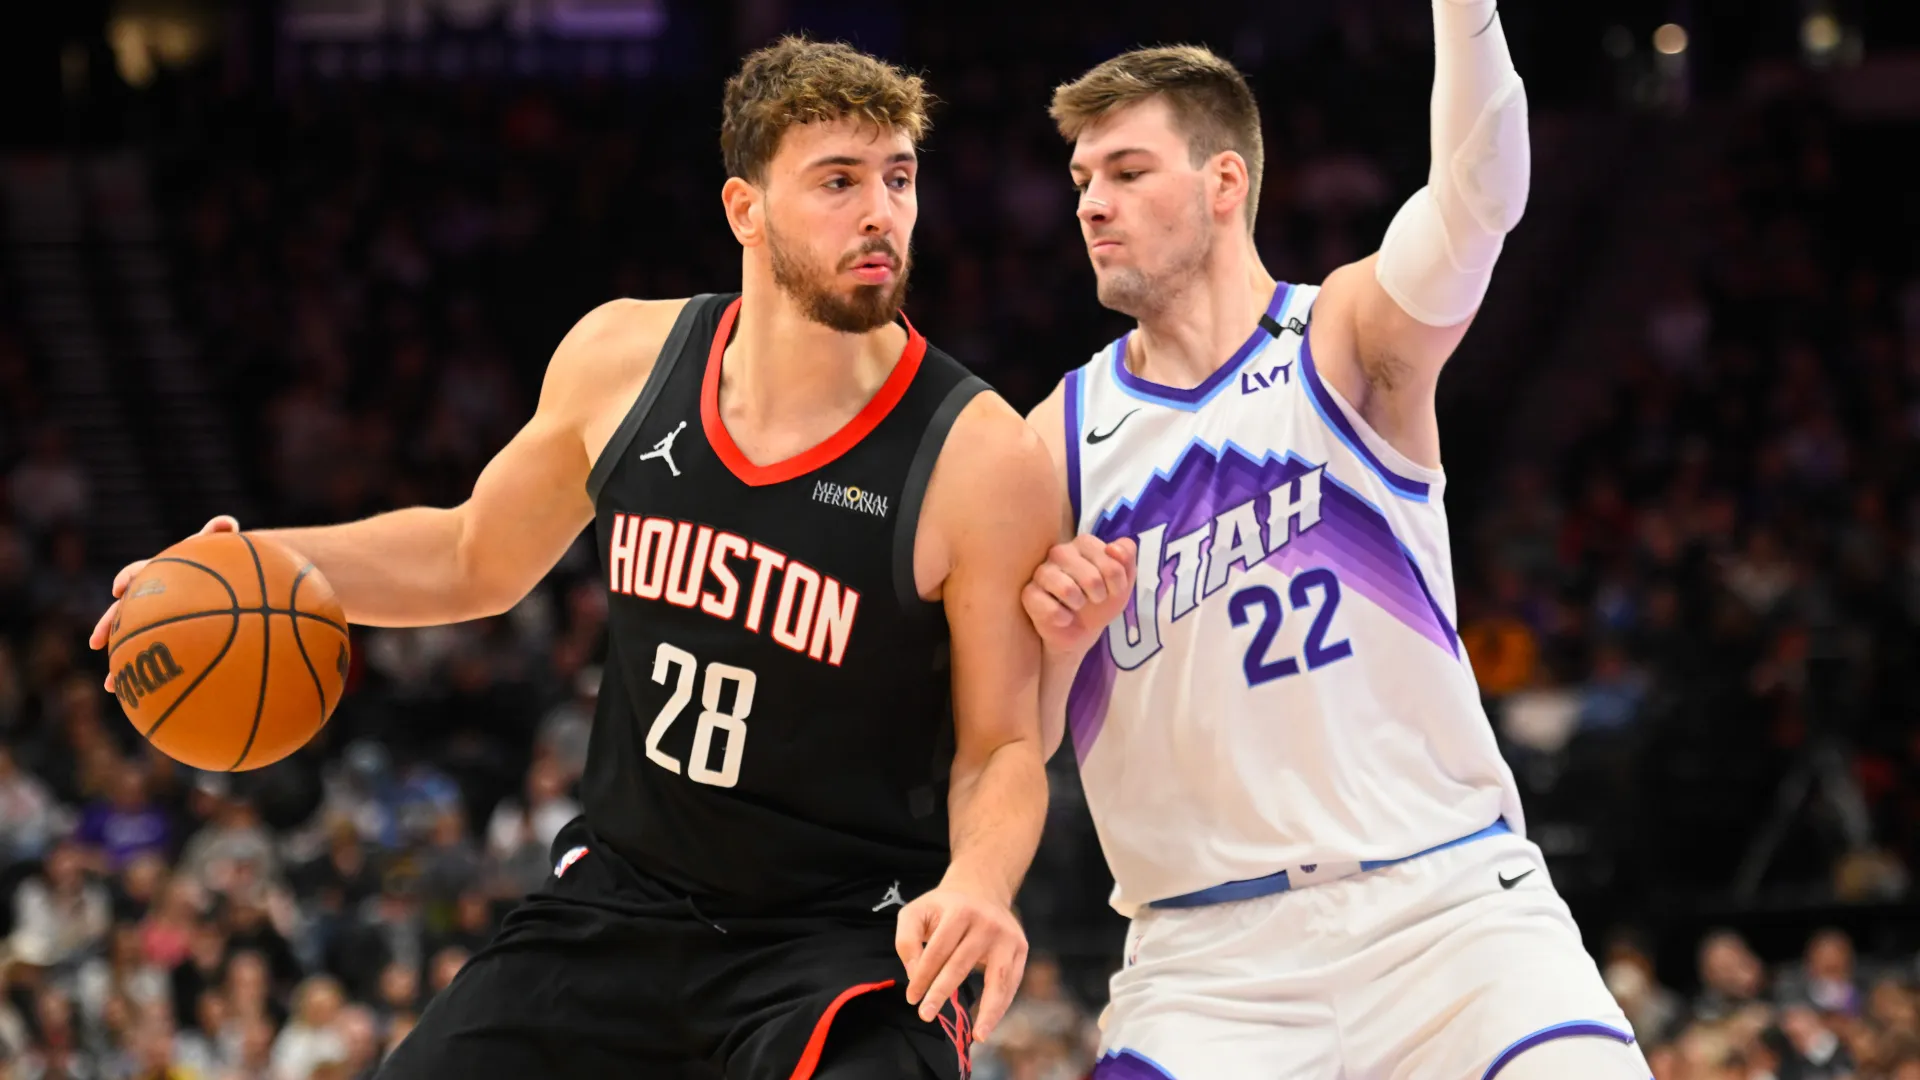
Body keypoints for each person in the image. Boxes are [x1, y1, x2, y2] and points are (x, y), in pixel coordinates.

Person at [90, 35, 1057, 1080]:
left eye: (898, 178)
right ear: (745, 210)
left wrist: (981, 883)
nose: (881, 213)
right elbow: (472, 554)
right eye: (838, 181)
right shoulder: (624, 361)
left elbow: (1001, 744)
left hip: (844, 939)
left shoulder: (978, 457)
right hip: (623, 903)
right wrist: (253, 562)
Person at [1019, 7, 1649, 1079]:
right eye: (1082, 179)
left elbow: (1477, 199)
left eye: (1126, 171)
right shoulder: (1054, 443)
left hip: (1446, 913)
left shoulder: (1346, 338)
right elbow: (1013, 736)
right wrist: (1060, 645)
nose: (1091, 202)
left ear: (1224, 182)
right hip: (1208, 966)